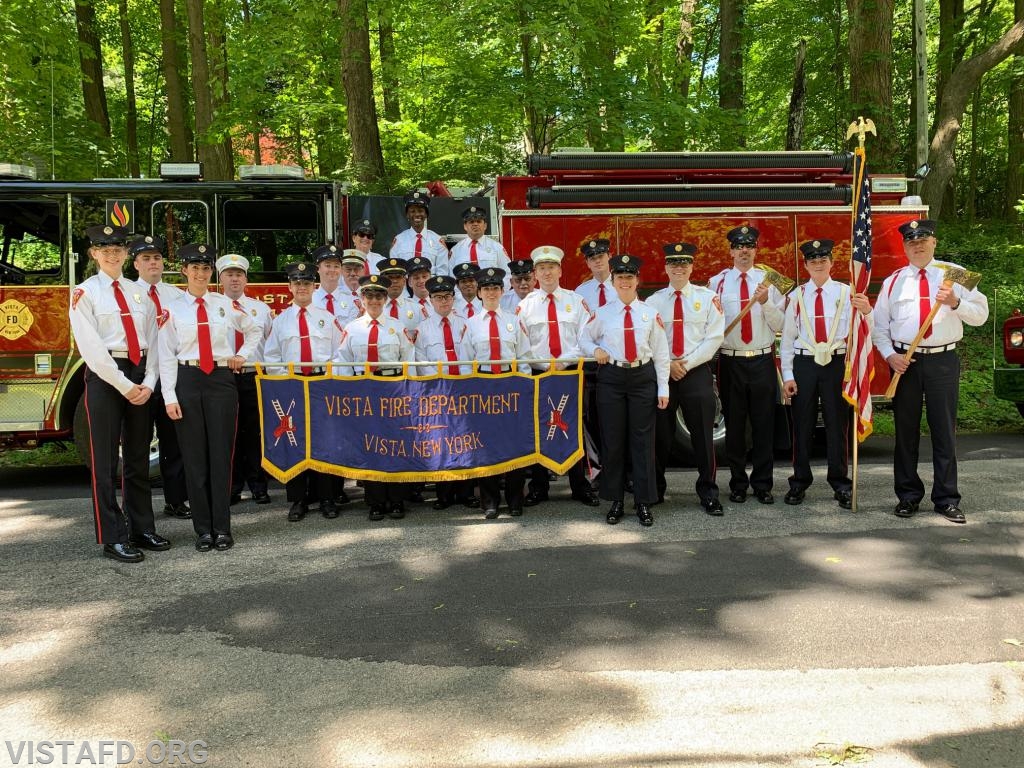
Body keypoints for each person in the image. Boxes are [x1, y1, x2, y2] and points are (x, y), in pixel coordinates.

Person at [871, 219, 989, 523]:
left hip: (942, 361)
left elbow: (981, 315)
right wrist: (889, 356)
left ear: (934, 242)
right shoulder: (893, 281)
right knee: (905, 433)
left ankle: (947, 498)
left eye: (923, 239)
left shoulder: (957, 273)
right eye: (911, 241)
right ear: (905, 247)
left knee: (944, 431)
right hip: (905, 364)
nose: (918, 245)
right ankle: (908, 496)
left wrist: (956, 301)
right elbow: (879, 327)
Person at [69, 224, 170, 563]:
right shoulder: (85, 293)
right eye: (104, 248)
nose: (112, 253)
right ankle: (113, 536)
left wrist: (150, 382)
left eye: (118, 248)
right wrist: (125, 386)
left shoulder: (138, 293)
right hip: (106, 377)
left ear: (127, 253)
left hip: (140, 376)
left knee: (138, 459)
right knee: (106, 462)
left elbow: (155, 341)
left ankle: (142, 528)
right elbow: (92, 349)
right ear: (94, 254)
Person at [158, 243, 260, 552]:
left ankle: (223, 528)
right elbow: (165, 355)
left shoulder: (223, 304)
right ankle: (203, 530)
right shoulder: (172, 309)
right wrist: (169, 397)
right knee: (194, 459)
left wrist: (242, 355)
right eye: (195, 268)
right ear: (184, 271)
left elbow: (253, 331)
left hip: (219, 380)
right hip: (187, 379)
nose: (201, 274)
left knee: (221, 456)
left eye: (205, 268)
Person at [780, 240, 872, 510]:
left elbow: (865, 328)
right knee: (802, 426)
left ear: (832, 263)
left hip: (836, 364)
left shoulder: (847, 294)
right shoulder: (796, 297)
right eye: (813, 261)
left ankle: (841, 483)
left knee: (837, 425)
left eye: (823, 260)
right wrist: (787, 375)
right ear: (806, 265)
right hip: (805, 364)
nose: (818, 264)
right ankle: (799, 482)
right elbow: (787, 340)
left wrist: (866, 310)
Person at [579, 255, 670, 526]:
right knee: (613, 441)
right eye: (620, 278)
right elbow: (583, 338)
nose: (625, 282)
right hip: (613, 378)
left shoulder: (649, 313)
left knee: (642, 442)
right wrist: (595, 350)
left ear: (637, 281)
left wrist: (663, 387)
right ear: (614, 282)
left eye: (630, 277)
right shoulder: (603, 313)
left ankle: (643, 501)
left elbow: (661, 352)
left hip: (642, 377)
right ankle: (616, 500)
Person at [515, 245, 600, 508]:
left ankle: (579, 485)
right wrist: (544, 364)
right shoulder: (525, 306)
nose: (547, 272)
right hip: (540, 374)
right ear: (535, 274)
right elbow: (522, 343)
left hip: (570, 372)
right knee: (540, 428)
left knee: (574, 428)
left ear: (560, 270)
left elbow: (586, 337)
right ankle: (539, 487)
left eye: (551, 267)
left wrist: (563, 363)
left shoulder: (576, 302)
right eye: (542, 268)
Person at [708, 225, 786, 505]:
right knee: (735, 426)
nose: (744, 250)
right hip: (731, 362)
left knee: (765, 425)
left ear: (756, 250)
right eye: (739, 246)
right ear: (730, 250)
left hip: (763, 359)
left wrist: (766, 303)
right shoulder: (716, 282)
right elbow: (712, 325)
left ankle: (763, 484)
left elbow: (782, 324)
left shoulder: (770, 281)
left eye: (749, 246)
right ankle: (738, 483)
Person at [647, 242, 725, 514]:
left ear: (692, 267)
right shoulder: (653, 302)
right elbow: (649, 340)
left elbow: (714, 337)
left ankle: (708, 492)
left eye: (684, 263)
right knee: (660, 436)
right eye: (673, 263)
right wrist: (668, 365)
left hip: (696, 373)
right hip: (663, 375)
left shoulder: (707, 298)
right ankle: (655, 490)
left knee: (703, 437)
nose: (678, 268)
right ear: (666, 267)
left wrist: (686, 364)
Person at [264, 261, 344, 522]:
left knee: (325, 443)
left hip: (321, 385)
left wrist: (331, 381)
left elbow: (338, 354)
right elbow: (272, 356)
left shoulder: (327, 318)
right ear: (289, 287)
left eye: (307, 283)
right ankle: (298, 499)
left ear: (314, 286)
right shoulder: (281, 321)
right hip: (293, 387)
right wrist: (284, 384)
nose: (302, 288)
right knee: (294, 442)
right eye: (297, 283)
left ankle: (328, 498)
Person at [336, 274, 415, 520]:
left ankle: (397, 499)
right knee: (370, 445)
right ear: (361, 299)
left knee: (395, 445)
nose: (374, 300)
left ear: (385, 299)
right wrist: (349, 390)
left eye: (379, 296)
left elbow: (409, 359)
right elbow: (342, 361)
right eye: (369, 295)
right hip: (364, 389)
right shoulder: (352, 329)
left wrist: (408, 390)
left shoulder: (397, 326)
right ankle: (375, 501)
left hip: (392, 388)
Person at [130, 234, 190, 520]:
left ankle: (176, 501)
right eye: (146, 258)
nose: (153, 263)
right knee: (138, 444)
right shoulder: (129, 294)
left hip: (169, 375)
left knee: (172, 443)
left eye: (156, 258)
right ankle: (138, 512)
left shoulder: (176, 295)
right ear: (136, 264)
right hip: (139, 374)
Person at [466, 267, 532, 518]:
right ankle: (490, 500)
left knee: (513, 443)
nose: (491, 292)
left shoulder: (514, 322)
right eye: (486, 289)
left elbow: (524, 357)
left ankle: (516, 499)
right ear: (480, 293)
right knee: (486, 445)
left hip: (510, 382)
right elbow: (465, 362)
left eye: (495, 288)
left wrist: (523, 387)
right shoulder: (470, 325)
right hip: (483, 385)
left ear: (503, 292)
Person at [413, 275, 479, 511]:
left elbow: (471, 356)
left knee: (465, 441)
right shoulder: (422, 329)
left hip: (462, 389)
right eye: (438, 297)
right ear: (430, 299)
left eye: (447, 296)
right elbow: (420, 361)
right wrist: (441, 382)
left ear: (454, 298)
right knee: (441, 442)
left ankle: (467, 492)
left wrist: (459, 381)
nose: (443, 301)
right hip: (437, 392)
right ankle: (444, 494)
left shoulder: (466, 324)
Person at [216, 253, 274, 507]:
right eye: (229, 274)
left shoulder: (261, 309)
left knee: (255, 433)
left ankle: (259, 485)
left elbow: (269, 343)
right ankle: (232, 487)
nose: (234, 279)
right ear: (220, 279)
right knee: (229, 434)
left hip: (253, 377)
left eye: (239, 274)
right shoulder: (212, 307)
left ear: (246, 279)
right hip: (224, 378)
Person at [447, 205, 510, 285]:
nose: (475, 224)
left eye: (479, 221)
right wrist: (461, 297)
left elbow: (507, 274)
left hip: (490, 294)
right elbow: (452, 277)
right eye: (471, 222)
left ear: (485, 226)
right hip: (465, 296)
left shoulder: (497, 247)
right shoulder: (456, 250)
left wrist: (497, 294)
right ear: (465, 226)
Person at [389, 191, 448, 271]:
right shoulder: (399, 240)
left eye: (420, 211)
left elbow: (442, 271)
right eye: (412, 211)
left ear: (426, 214)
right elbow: (395, 270)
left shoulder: (437, 241)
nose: (417, 214)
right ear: (407, 215)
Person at [378, 257, 427, 335]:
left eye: (398, 277)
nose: (394, 281)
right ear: (382, 282)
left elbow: (425, 338)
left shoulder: (417, 309)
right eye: (390, 278)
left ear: (404, 281)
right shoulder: (375, 309)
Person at [575, 239, 616, 310]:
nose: (597, 261)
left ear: (609, 257)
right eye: (593, 258)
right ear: (588, 263)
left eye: (600, 256)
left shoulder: (623, 287)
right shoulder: (580, 292)